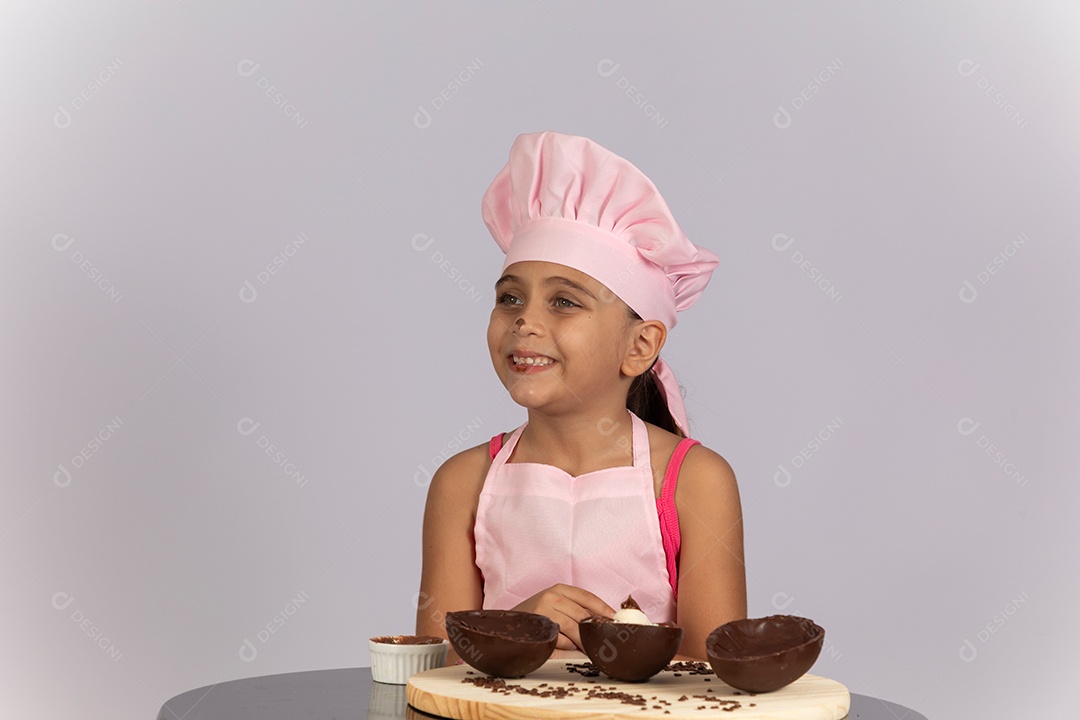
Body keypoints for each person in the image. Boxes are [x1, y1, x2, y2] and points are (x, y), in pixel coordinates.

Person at [415, 130, 746, 664]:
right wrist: (521, 629)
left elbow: (713, 680)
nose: (525, 320)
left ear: (640, 345)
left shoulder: (695, 482)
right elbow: (431, 673)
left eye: (564, 302)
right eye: (510, 298)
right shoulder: (462, 484)